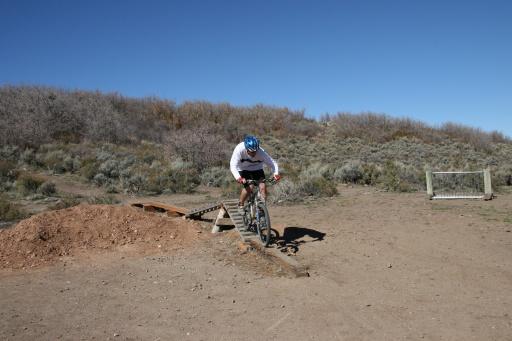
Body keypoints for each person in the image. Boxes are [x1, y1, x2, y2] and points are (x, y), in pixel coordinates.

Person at [230, 135, 281, 209]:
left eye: (255, 151)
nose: (254, 153)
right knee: (250, 187)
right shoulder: (239, 149)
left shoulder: (261, 152)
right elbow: (233, 165)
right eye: (251, 152)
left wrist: (276, 174)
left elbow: (273, 163)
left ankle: (262, 209)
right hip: (243, 169)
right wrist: (239, 178)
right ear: (246, 149)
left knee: (263, 187)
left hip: (257, 168)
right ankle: (240, 204)